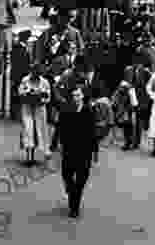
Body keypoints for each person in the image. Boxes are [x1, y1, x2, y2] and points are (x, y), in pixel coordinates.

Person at [59, 85, 96, 218]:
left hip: (84, 151)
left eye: (78, 95)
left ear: (83, 96)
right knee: (66, 175)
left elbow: (93, 133)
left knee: (81, 180)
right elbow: (61, 128)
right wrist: (59, 144)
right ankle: (70, 189)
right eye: (74, 95)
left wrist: (94, 152)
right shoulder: (66, 110)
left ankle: (74, 207)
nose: (76, 98)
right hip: (69, 149)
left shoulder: (89, 111)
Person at [17, 64, 52, 165]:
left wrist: (42, 98)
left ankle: (42, 150)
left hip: (39, 109)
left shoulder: (44, 82)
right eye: (34, 73)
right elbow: (20, 92)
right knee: (28, 130)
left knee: (39, 130)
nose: (35, 76)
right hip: (27, 108)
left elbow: (48, 96)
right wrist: (27, 94)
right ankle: (29, 156)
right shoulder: (25, 80)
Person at [112, 79, 138, 150]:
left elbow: (134, 104)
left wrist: (130, 110)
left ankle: (130, 142)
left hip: (128, 113)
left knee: (129, 128)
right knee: (125, 128)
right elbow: (114, 102)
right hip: (122, 113)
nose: (122, 89)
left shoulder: (130, 92)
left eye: (124, 87)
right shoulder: (117, 93)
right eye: (121, 87)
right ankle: (127, 142)